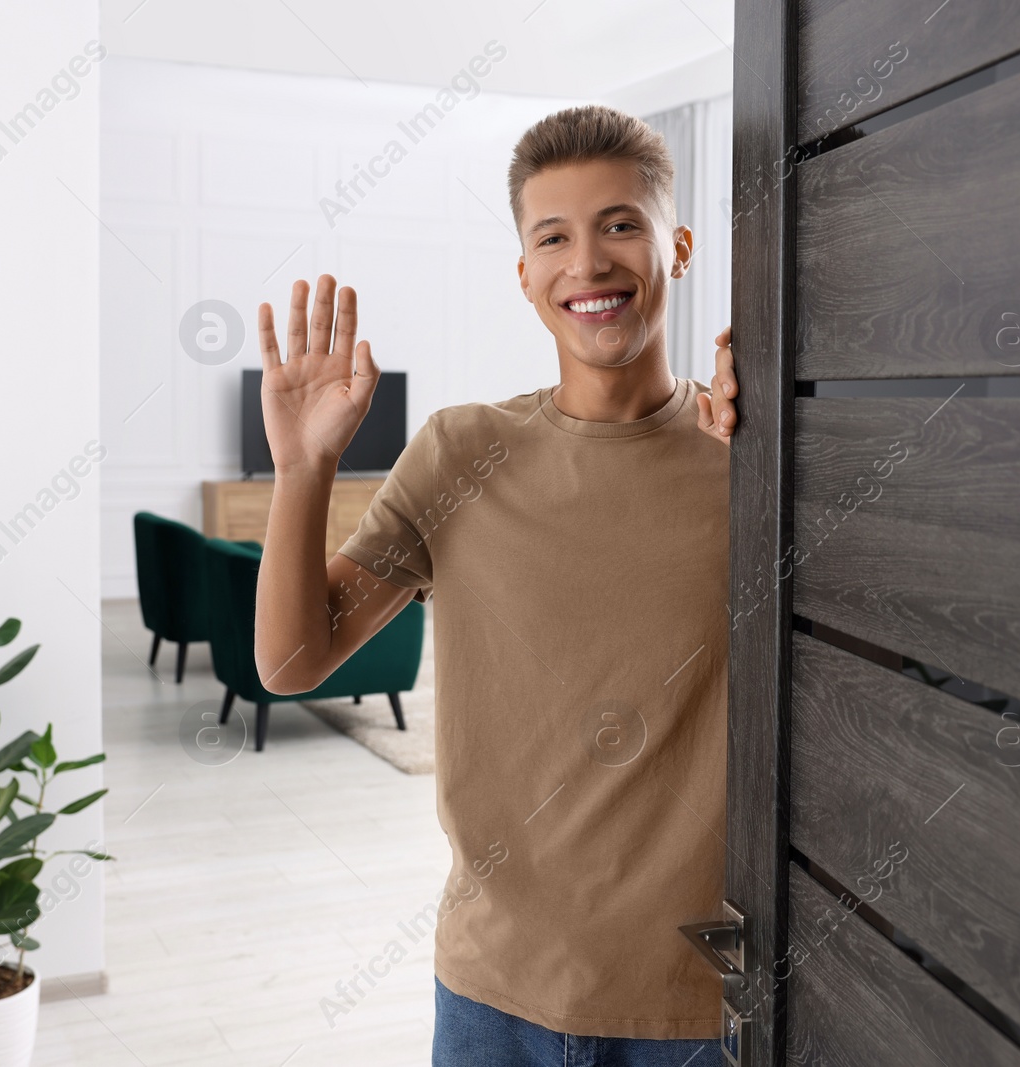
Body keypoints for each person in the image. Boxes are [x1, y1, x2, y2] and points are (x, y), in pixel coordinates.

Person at [253, 104, 738, 1067]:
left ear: (676, 248)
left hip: (694, 1010)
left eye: (621, 225)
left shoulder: (745, 458)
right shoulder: (458, 454)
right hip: (493, 1000)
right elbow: (292, 661)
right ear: (524, 276)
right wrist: (302, 469)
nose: (588, 264)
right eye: (552, 236)